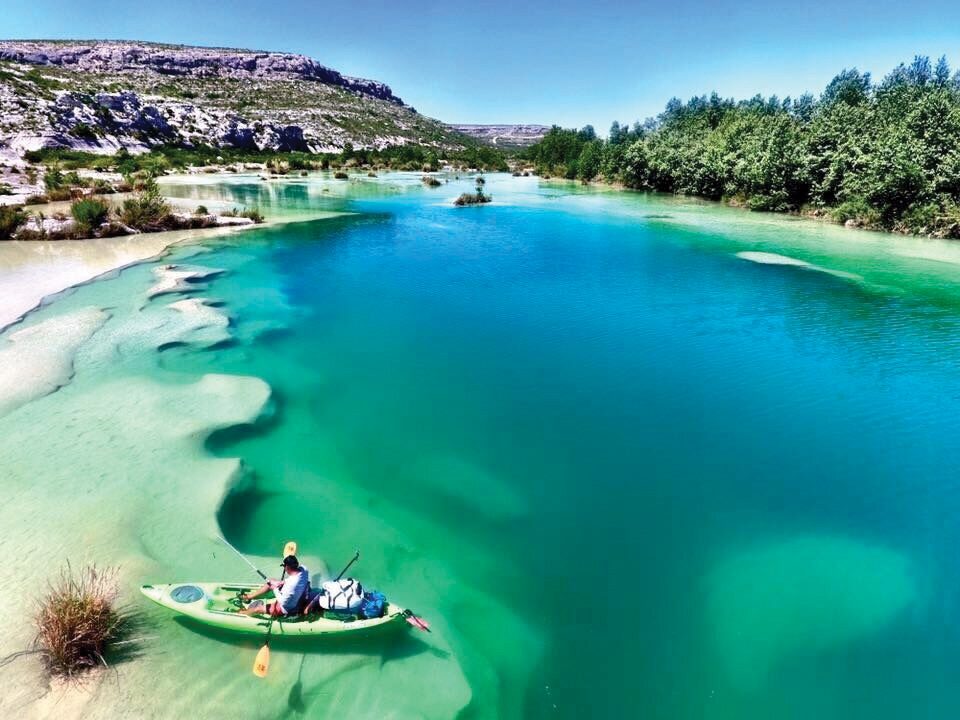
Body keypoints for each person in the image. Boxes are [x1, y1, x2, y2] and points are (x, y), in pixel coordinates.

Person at [239, 555, 310, 617]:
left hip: (285, 608)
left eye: (284, 566)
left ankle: (241, 613)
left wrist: (275, 589)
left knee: (258, 609)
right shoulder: (304, 569)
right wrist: (282, 582)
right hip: (294, 594)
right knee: (271, 581)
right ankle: (248, 597)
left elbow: (282, 602)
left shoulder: (291, 585)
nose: (284, 568)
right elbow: (296, 578)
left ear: (287, 567)